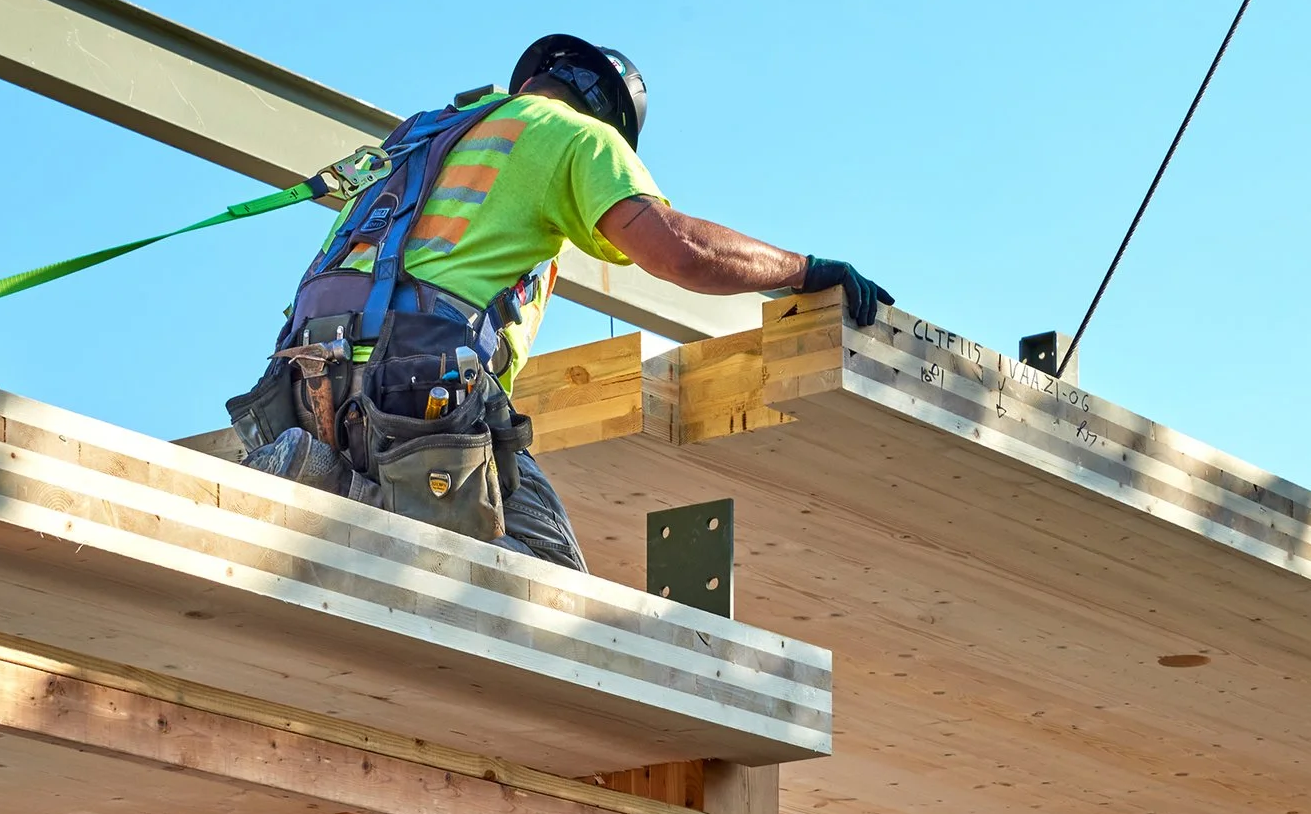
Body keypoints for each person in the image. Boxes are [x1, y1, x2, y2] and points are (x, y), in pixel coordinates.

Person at [228, 34, 890, 570]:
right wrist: (804, 271)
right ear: (612, 122)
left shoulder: (422, 137)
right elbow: (680, 250)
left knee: (393, 574)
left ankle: (321, 479)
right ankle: (323, 482)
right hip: (419, 386)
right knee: (546, 580)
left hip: (302, 385)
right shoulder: (574, 137)